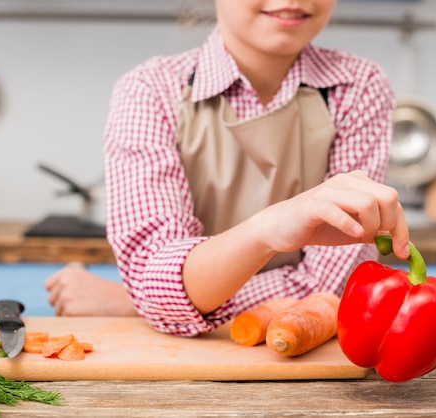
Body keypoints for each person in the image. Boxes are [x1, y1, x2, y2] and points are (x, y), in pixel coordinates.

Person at [45, 0, 410, 336]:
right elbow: (152, 277)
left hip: (305, 349)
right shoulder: (150, 90)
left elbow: (329, 287)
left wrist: (139, 304)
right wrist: (267, 230)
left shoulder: (360, 87)